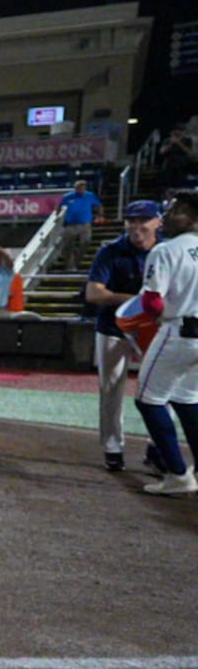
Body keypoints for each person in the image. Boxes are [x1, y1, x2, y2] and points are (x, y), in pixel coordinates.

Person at [85, 199, 163, 471]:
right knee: (111, 389)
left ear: (158, 222)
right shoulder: (111, 250)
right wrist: (139, 302)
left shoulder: (167, 250)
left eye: (143, 220)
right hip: (113, 328)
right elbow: (94, 293)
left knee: (157, 391)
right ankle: (112, 448)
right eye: (131, 220)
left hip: (155, 329)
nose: (136, 226)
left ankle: (158, 447)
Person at [131, 191, 198, 495]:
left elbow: (153, 302)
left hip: (178, 332)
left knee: (148, 399)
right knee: (187, 400)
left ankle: (178, 473)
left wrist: (152, 320)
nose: (170, 215)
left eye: (179, 211)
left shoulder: (166, 250)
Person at [56, 179, 103, 272]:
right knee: (68, 245)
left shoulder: (90, 196)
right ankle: (70, 265)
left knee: (86, 242)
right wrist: (58, 216)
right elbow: (59, 207)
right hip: (70, 225)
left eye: (83, 187)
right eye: (79, 188)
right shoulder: (68, 197)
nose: (81, 189)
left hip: (85, 224)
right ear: (75, 188)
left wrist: (100, 215)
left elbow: (99, 205)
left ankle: (77, 260)